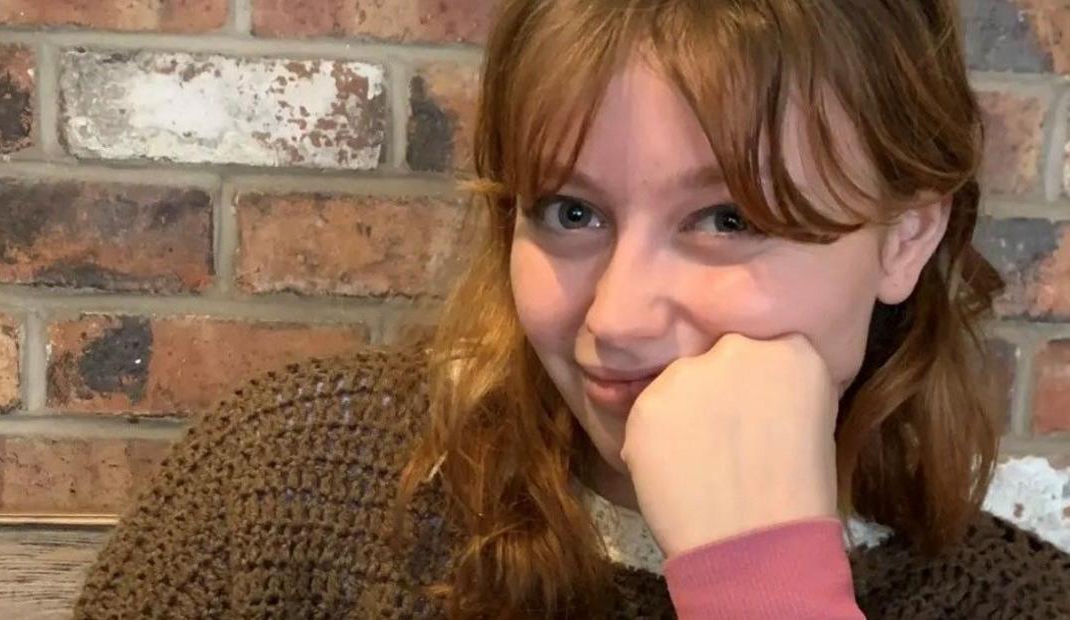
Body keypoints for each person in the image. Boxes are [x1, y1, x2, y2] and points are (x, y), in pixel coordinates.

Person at [73, 0, 1070, 618]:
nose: (620, 317)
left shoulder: (1016, 602)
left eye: (726, 217)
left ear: (905, 236)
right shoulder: (286, 491)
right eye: (572, 210)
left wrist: (768, 593)